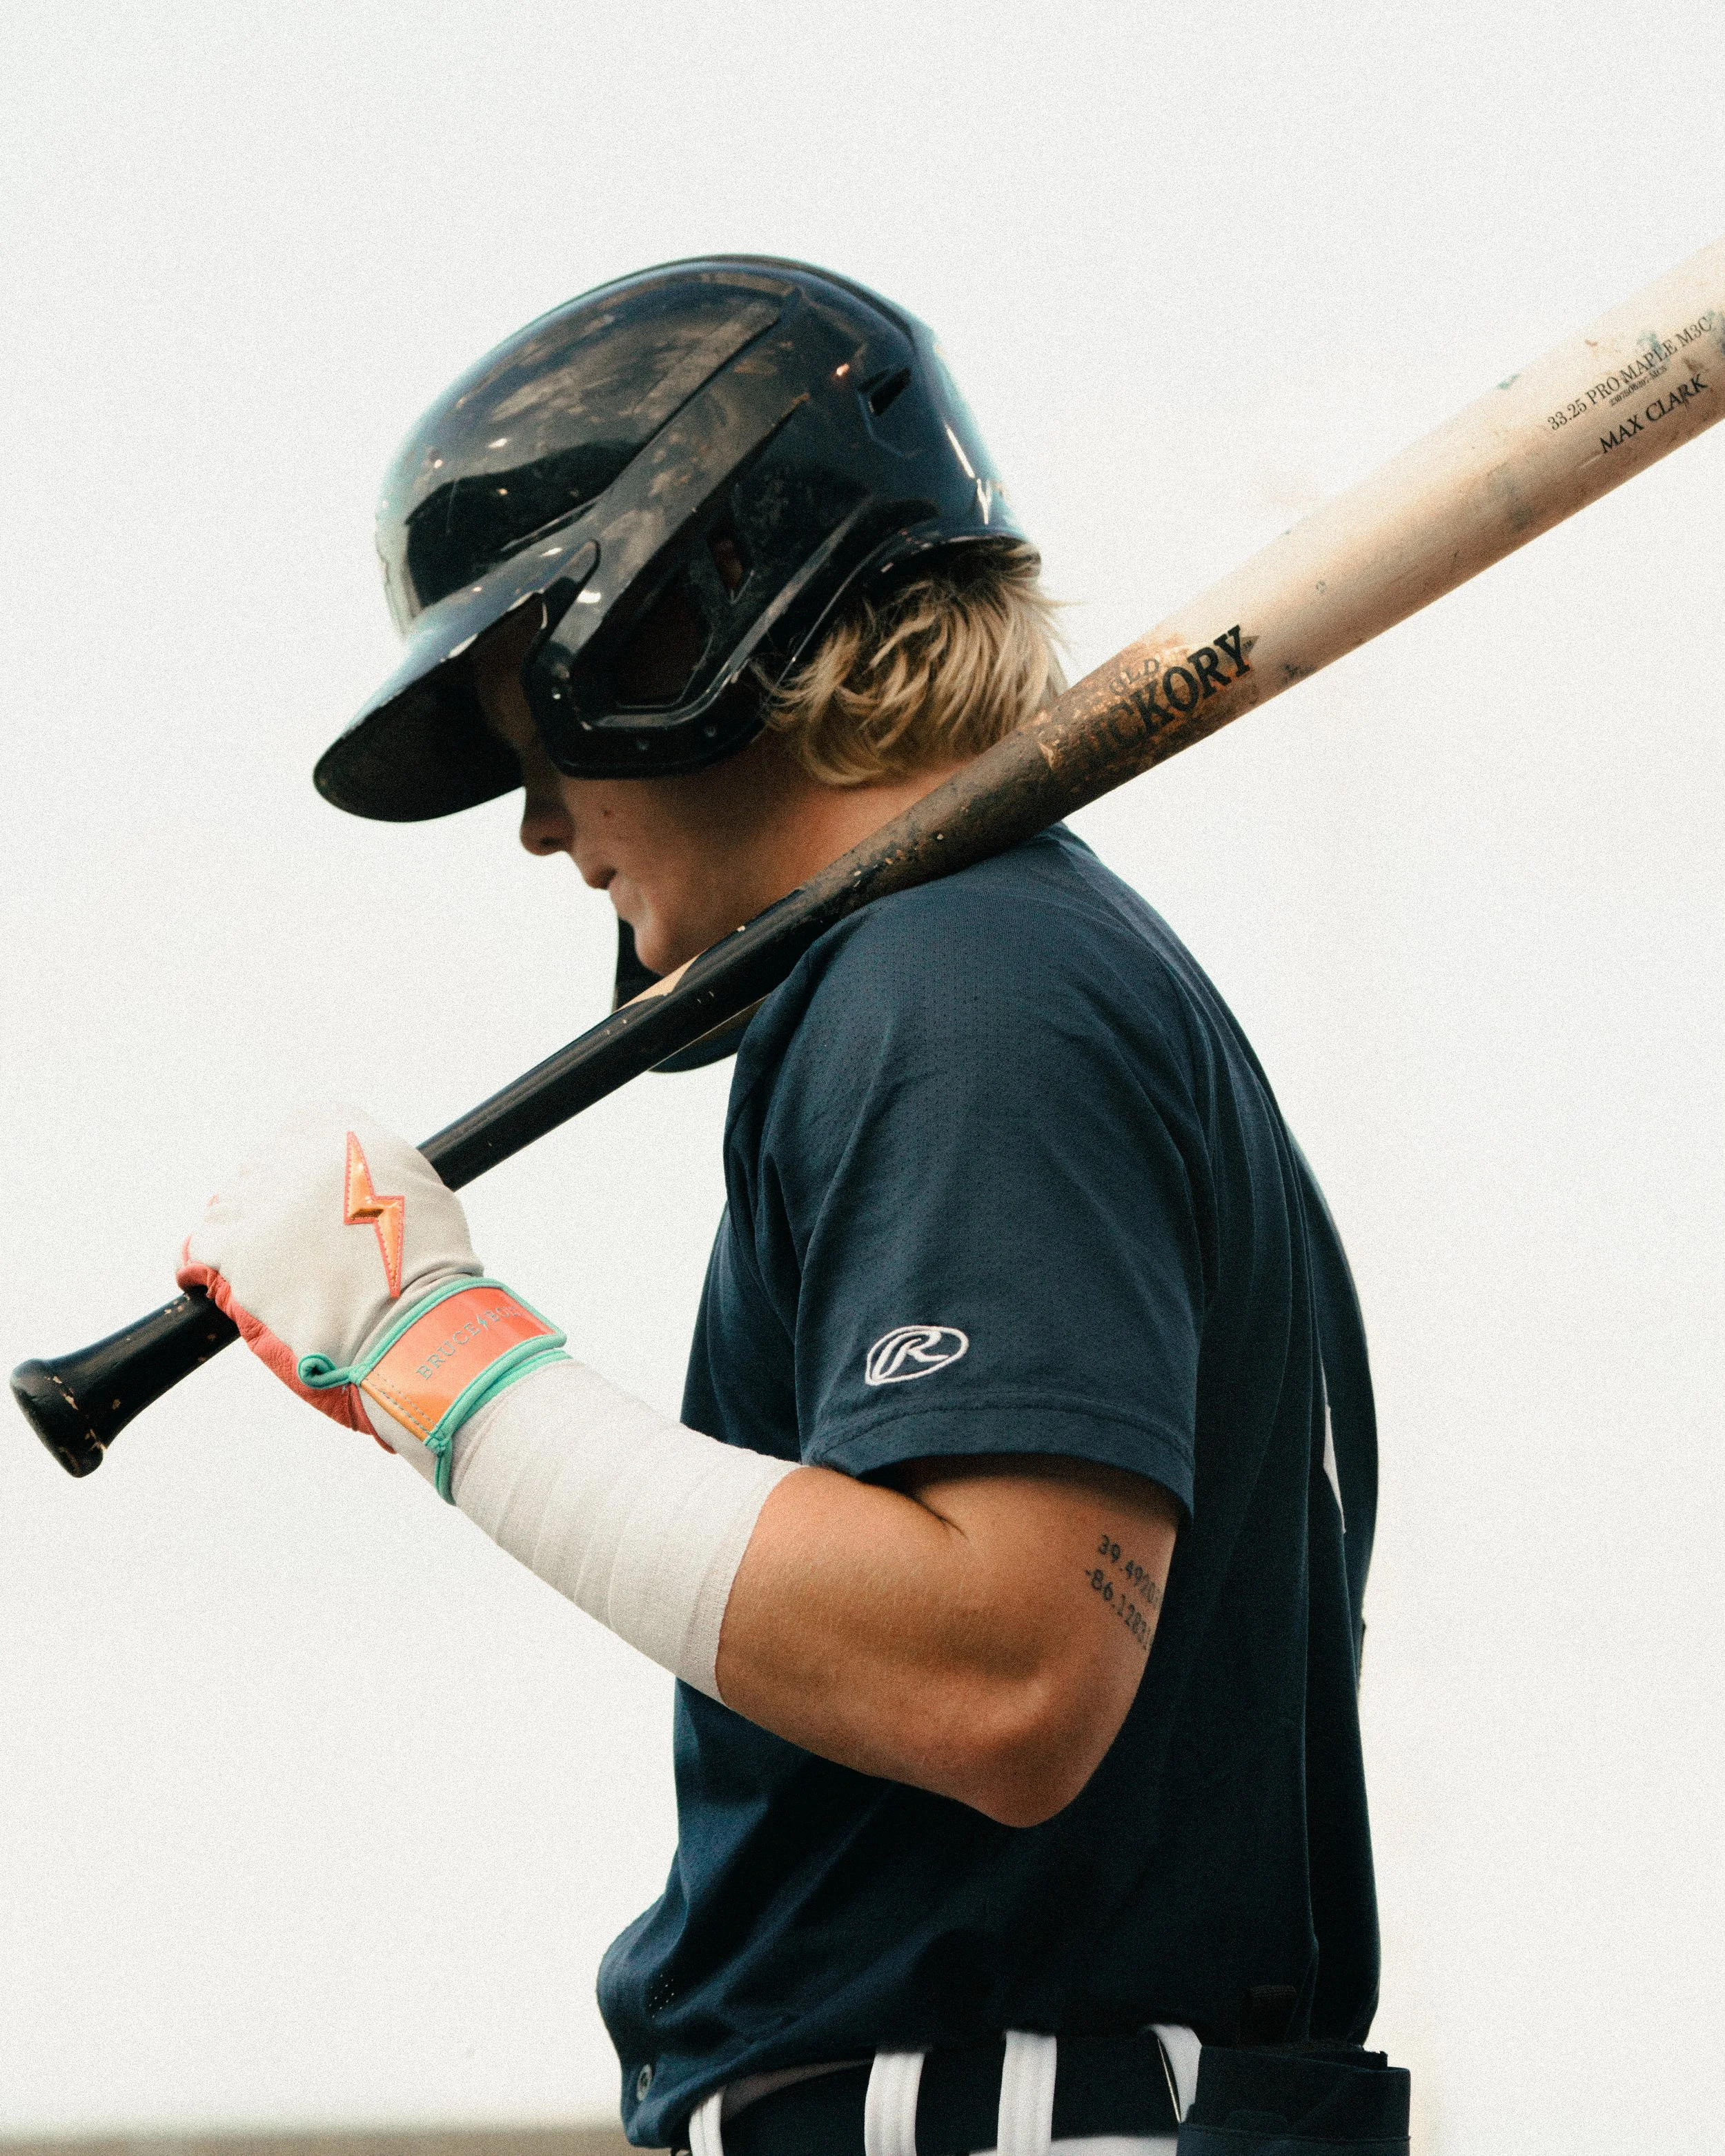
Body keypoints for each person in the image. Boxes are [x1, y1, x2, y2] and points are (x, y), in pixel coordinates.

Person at [177, 260, 1401, 2156]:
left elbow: (1003, 1665)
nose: (534, 824)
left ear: (682, 628)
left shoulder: (967, 984)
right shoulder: (992, 969)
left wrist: (446, 1364)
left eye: (535, 728)